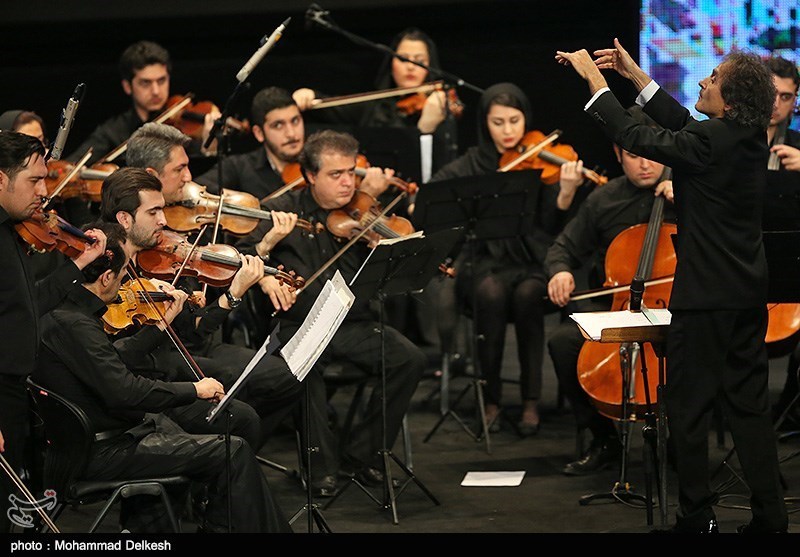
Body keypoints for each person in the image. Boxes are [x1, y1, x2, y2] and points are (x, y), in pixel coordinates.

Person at [556, 39, 787, 533]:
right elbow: (682, 121)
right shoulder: (746, 137)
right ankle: (770, 518)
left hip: (703, 302)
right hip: (745, 296)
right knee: (749, 409)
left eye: (713, 78)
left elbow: (630, 133)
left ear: (729, 101)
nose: (704, 80)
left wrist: (593, 80)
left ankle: (696, 518)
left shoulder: (710, 143)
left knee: (687, 411)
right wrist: (634, 74)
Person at [32, 221, 292, 533]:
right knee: (231, 449)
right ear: (105, 278)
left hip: (87, 444)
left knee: (214, 434)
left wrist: (160, 325)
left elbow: (113, 361)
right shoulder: (76, 325)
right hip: (100, 453)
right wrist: (195, 390)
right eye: (124, 271)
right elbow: (125, 391)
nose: (128, 281)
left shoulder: (63, 313)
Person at [236, 129, 427, 498]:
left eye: (351, 173)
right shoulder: (281, 211)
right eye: (335, 174)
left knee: (410, 358)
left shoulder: (362, 211)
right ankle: (321, 469)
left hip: (351, 324)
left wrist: (381, 250)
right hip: (300, 325)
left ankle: (363, 454)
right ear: (309, 176)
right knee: (305, 368)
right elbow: (243, 256)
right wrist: (265, 263)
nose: (346, 183)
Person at [99, 162, 302, 448]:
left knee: (261, 390)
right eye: (153, 212)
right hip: (140, 385)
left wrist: (233, 293)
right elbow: (120, 360)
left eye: (162, 209)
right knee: (243, 414)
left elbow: (192, 329)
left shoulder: (156, 261)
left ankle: (224, 466)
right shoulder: (102, 268)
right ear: (124, 219)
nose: (163, 220)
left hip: (166, 363)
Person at [427, 82, 585, 436]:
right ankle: (491, 398)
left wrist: (566, 193)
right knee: (490, 293)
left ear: (525, 118)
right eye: (498, 123)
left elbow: (551, 226)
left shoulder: (541, 157)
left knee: (529, 295)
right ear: (485, 123)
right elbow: (436, 194)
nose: (508, 131)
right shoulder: (472, 163)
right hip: (483, 260)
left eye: (514, 121)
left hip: (531, 260)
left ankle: (531, 400)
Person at [545, 105, 674, 474]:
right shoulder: (604, 199)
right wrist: (560, 272)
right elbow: (563, 248)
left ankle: (682, 441)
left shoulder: (689, 188)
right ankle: (604, 440)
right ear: (618, 155)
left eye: (652, 154)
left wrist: (690, 202)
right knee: (562, 343)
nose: (645, 164)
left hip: (676, 310)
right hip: (619, 311)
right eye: (634, 156)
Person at [0, 131, 107, 532]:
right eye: (33, 180)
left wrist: (80, 265)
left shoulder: (13, 231)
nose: (44, 191)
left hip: (13, 389)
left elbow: (26, 307)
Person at [294, 27, 459, 179]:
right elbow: (333, 107)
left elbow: (442, 167)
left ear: (430, 66)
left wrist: (426, 129)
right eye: (403, 59)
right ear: (391, 64)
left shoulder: (438, 107)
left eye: (419, 61)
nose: (410, 66)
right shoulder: (372, 105)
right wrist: (310, 94)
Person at [68, 40, 219, 166]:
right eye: (145, 83)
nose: (155, 91)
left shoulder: (183, 125)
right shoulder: (112, 132)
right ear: (128, 86)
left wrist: (209, 149)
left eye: (161, 81)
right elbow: (73, 164)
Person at [762, 56, 800, 428]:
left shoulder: (799, 147)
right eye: (771, 94)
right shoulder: (732, 141)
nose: (777, 104)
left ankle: (787, 414)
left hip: (790, 266)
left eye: (786, 97)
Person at [194, 86, 305, 199]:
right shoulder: (239, 166)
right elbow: (198, 188)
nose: (291, 133)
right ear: (259, 133)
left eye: (295, 121)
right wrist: (243, 200)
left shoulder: (316, 157)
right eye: (278, 125)